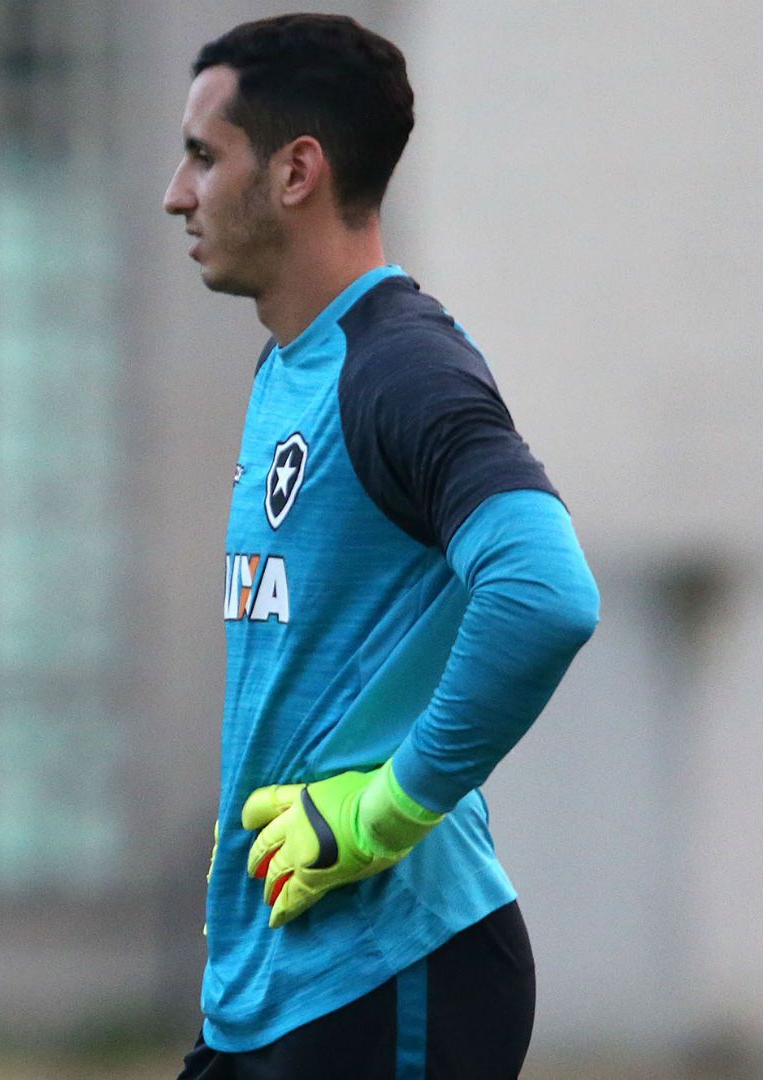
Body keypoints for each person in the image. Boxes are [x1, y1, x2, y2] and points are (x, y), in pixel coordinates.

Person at [161, 14, 600, 1079]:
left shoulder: (400, 368)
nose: (178, 193)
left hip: (391, 968)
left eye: (205, 157)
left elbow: (545, 593)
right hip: (278, 980)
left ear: (298, 171)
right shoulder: (292, 368)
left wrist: (384, 810)